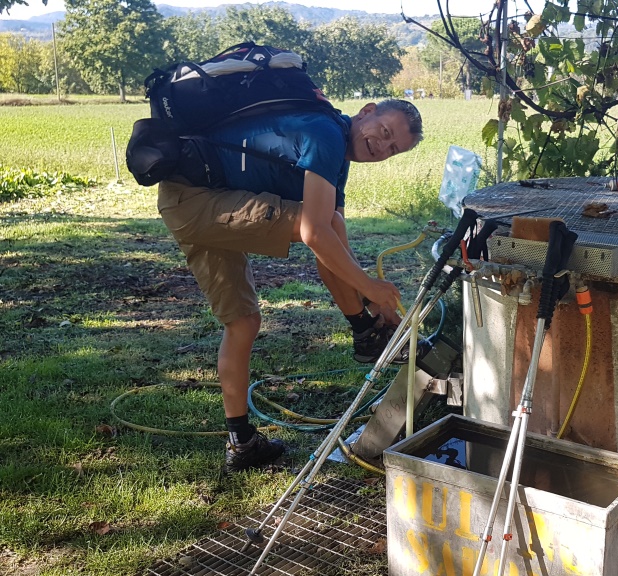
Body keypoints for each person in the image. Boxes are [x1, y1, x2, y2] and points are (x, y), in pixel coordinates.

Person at [156, 99, 423, 473]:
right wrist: (370, 292)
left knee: (242, 322)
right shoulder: (325, 133)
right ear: (367, 111)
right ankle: (364, 333)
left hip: (189, 201)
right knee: (323, 222)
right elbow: (316, 232)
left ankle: (242, 443)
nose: (382, 146)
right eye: (384, 132)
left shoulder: (335, 154)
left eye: (393, 148)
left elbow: (335, 246)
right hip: (197, 200)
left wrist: (372, 297)